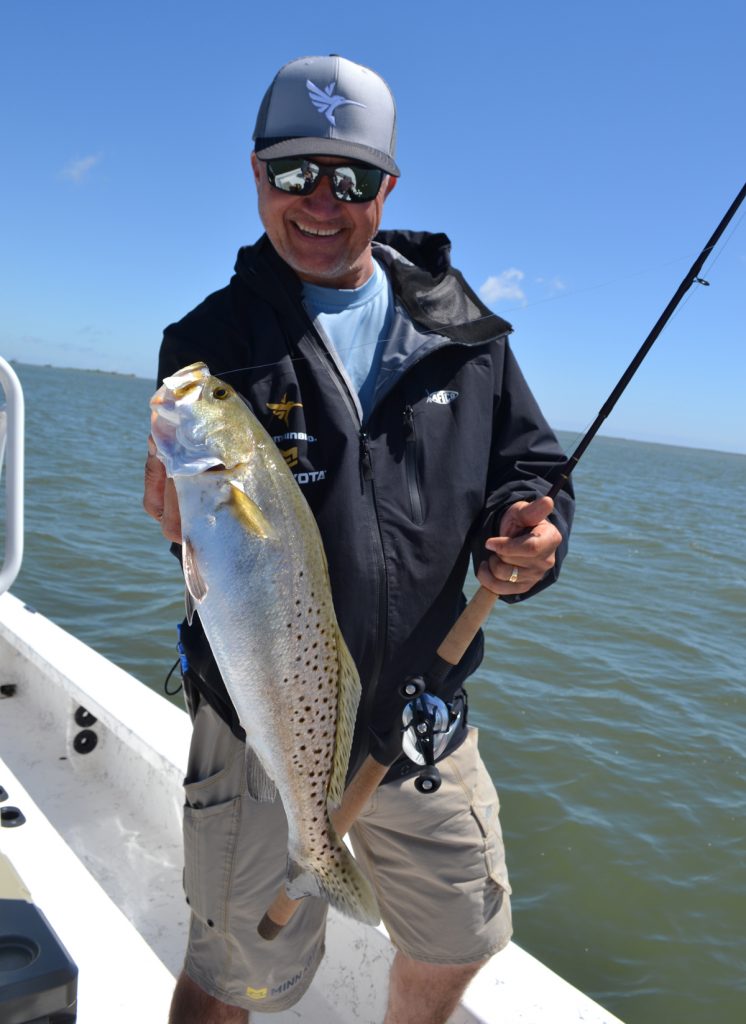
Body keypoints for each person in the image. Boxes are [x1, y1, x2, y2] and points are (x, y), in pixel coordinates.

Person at [143, 54, 574, 1024]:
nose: (322, 203)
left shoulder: (464, 331)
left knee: (463, 932)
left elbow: (529, 468)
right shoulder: (208, 341)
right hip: (261, 723)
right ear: (256, 176)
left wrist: (533, 532)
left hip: (421, 708)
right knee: (232, 970)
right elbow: (198, 519)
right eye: (295, 174)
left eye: (351, 178)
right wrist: (177, 511)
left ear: (388, 187)